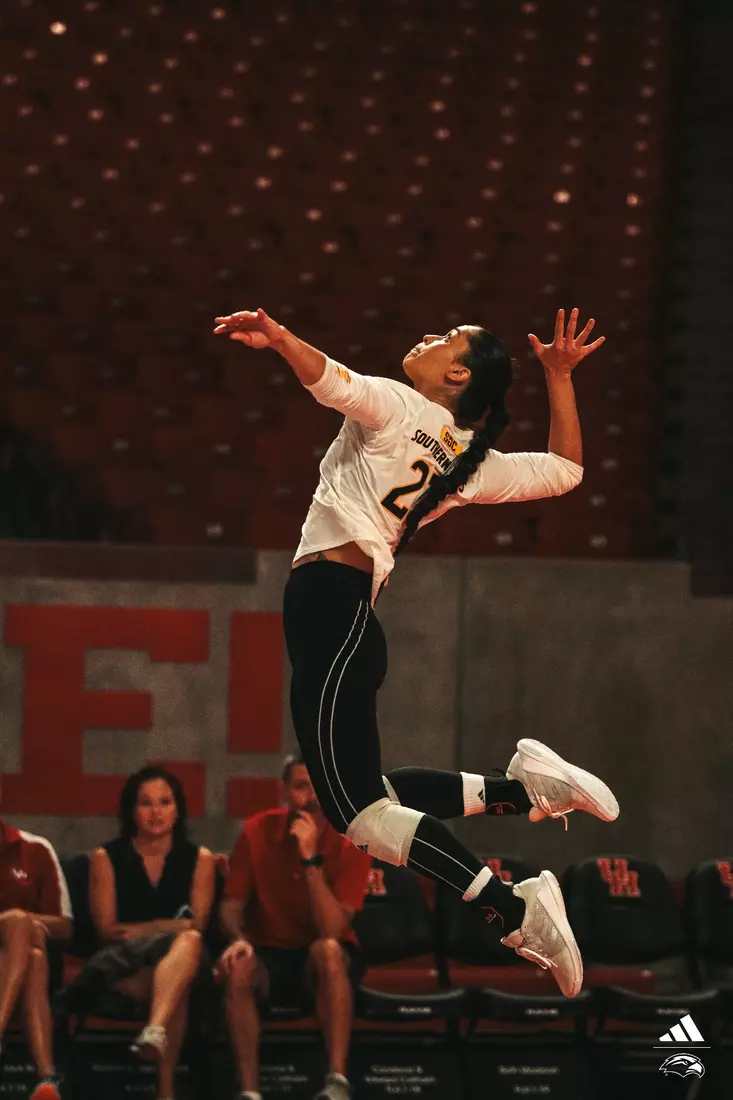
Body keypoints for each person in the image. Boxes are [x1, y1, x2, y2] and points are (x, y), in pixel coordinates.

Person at [213, 305, 619, 998]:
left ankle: (514, 909)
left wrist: (281, 338)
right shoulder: (466, 458)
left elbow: (329, 380)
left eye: (446, 339)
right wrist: (559, 379)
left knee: (359, 817)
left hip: (330, 610)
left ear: (456, 375)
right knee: (376, 800)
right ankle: (522, 791)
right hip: (349, 619)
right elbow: (565, 471)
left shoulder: (399, 405)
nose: (429, 337)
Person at [217, 754, 371, 1100]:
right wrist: (238, 939)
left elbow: (332, 929)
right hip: (269, 952)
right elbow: (230, 906)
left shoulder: (355, 839)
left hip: (326, 957)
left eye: (320, 788)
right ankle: (249, 1092)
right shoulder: (256, 831)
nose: (312, 797)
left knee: (327, 951)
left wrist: (310, 858)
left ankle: (337, 1082)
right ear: (284, 791)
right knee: (238, 965)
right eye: (301, 786)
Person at [61, 766, 215, 1100]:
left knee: (189, 946)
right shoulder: (105, 858)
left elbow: (199, 924)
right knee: (177, 979)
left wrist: (142, 929)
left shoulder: (200, 859)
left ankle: (155, 1030)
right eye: (146, 803)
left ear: (178, 809)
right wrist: (171, 926)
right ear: (131, 810)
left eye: (165, 802)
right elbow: (108, 931)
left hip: (181, 960)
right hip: (124, 965)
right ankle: (165, 1091)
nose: (156, 812)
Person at [0, 774, 72, 1100]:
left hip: (18, 963)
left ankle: (46, 1082)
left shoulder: (35, 849)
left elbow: (65, 926)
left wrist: (24, 925)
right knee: (28, 945)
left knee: (32, 952)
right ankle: (46, 1076)